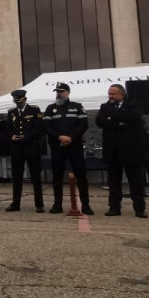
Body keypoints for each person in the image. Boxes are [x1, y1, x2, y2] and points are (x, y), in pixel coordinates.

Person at [96, 84, 148, 218]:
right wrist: (119, 123)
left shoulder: (134, 104)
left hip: (131, 149)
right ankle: (114, 207)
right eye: (109, 93)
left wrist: (112, 117)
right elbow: (99, 121)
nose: (110, 96)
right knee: (113, 180)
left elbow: (134, 117)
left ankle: (139, 208)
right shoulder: (105, 106)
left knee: (135, 180)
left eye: (113, 94)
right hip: (113, 150)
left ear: (122, 94)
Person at [43, 82, 93, 215]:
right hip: (57, 147)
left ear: (68, 92)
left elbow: (83, 125)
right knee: (57, 176)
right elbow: (46, 127)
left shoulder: (77, 107)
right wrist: (59, 137)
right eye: (57, 91)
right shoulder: (50, 108)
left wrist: (70, 138)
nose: (58, 94)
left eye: (61, 91)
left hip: (74, 147)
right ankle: (57, 205)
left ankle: (86, 205)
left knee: (81, 175)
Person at [5, 89, 46, 212]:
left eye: (20, 101)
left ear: (25, 100)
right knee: (17, 177)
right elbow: (8, 128)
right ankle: (15, 203)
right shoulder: (11, 112)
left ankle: (39, 204)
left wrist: (26, 136)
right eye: (16, 102)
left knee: (35, 177)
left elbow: (39, 129)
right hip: (17, 149)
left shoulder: (34, 110)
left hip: (31, 147)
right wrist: (11, 136)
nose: (18, 104)